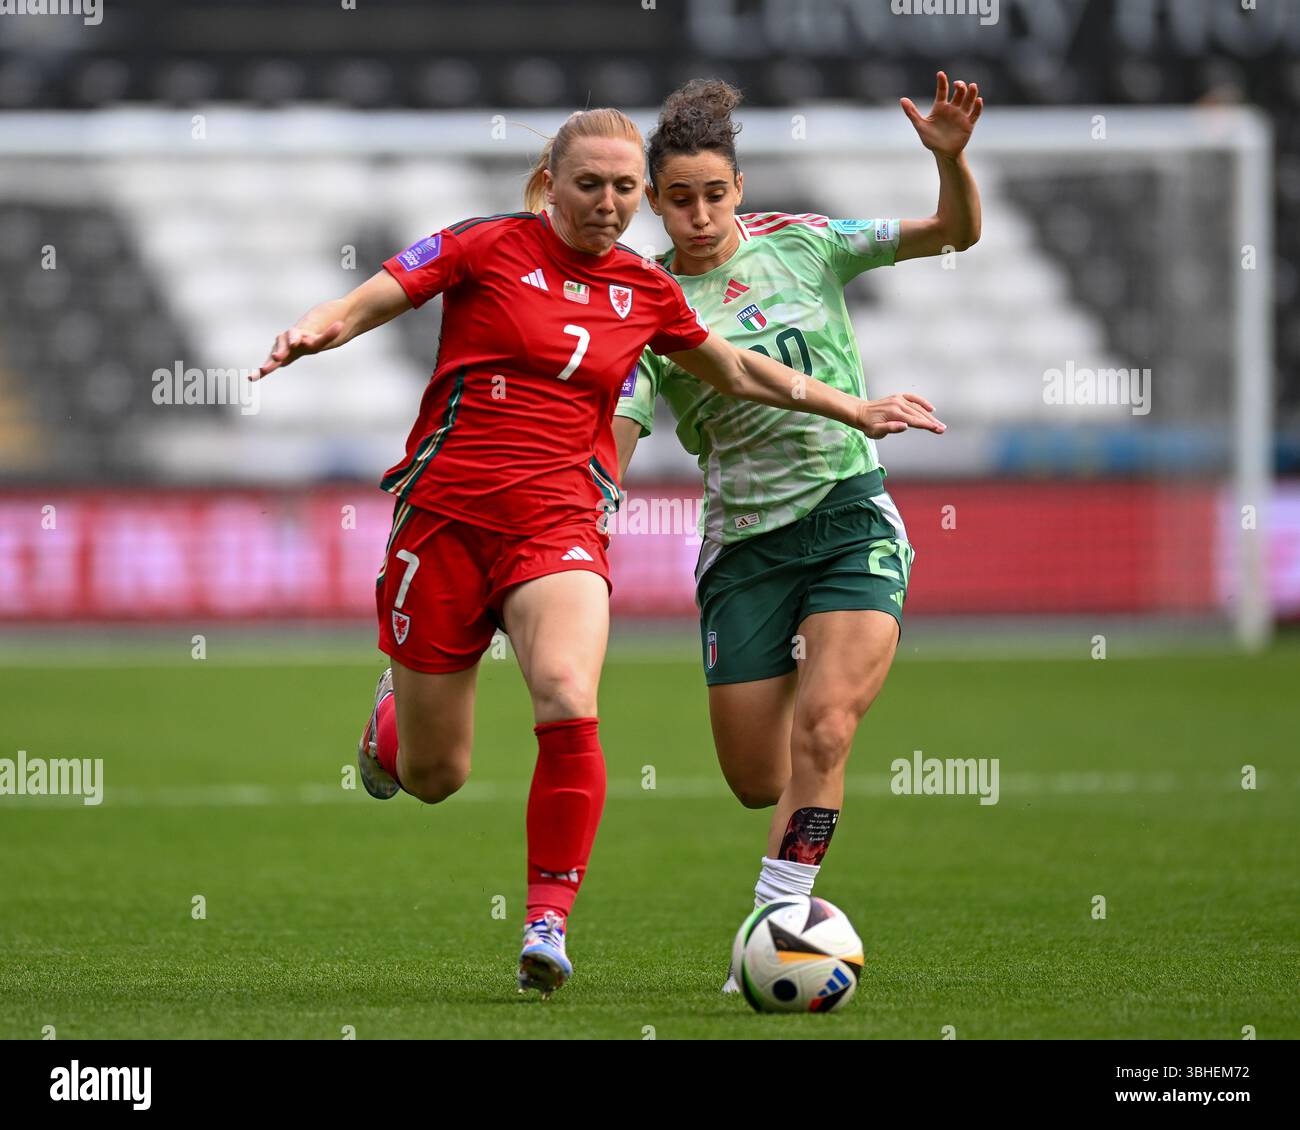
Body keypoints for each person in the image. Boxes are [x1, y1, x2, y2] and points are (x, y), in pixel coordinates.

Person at [252, 106, 945, 999]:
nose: (610, 203)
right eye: (593, 185)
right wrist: (322, 327)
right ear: (554, 182)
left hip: (559, 524)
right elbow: (379, 292)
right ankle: (393, 722)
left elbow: (735, 369)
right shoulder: (482, 245)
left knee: (570, 695)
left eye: (624, 188)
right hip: (445, 520)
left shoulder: (646, 291)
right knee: (436, 775)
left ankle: (546, 922)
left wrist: (854, 408)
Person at [612, 73, 980, 991]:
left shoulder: (809, 244)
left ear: (738, 188)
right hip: (743, 548)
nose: (699, 215)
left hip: (851, 514)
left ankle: (777, 919)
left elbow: (956, 233)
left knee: (826, 729)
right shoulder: (649, 310)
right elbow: (619, 426)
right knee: (753, 775)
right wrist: (588, 496)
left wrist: (950, 161)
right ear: (653, 203)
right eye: (678, 200)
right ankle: (786, 890)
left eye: (714, 194)